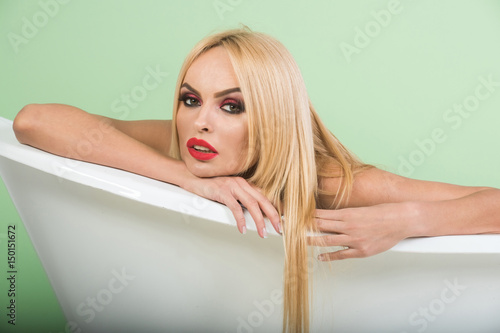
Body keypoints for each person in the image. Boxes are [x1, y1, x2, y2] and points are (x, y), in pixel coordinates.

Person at [12, 27, 500, 333]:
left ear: (272, 119)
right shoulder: (182, 146)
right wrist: (187, 178)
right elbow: (34, 121)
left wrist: (405, 220)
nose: (200, 122)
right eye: (189, 99)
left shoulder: (330, 182)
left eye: (232, 106)